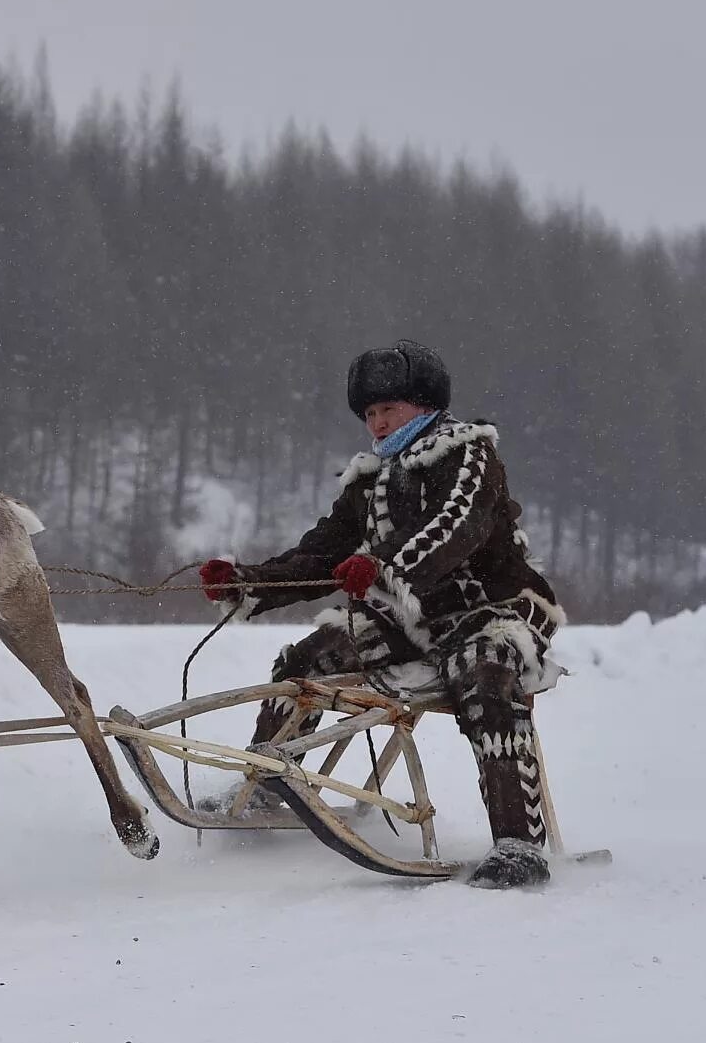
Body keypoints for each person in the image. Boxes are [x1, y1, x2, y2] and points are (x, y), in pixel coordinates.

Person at [198, 341, 564, 889]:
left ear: (424, 405)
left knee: (487, 677)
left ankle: (518, 843)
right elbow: (321, 553)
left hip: (492, 613)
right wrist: (249, 582)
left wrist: (382, 567)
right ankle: (265, 788)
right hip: (410, 624)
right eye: (369, 413)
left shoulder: (469, 453)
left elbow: (456, 528)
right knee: (307, 660)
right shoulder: (370, 479)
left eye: (388, 409)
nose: (376, 422)